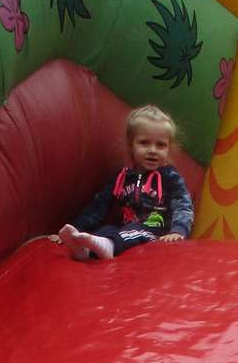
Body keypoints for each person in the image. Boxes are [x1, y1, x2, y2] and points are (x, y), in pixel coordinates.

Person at [57, 105, 195, 259]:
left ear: (169, 148)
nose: (153, 150)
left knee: (135, 231)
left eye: (160, 145)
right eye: (144, 143)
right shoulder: (123, 177)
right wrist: (77, 228)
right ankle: (86, 251)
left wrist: (178, 230)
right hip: (126, 230)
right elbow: (100, 205)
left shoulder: (169, 177)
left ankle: (109, 245)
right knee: (108, 229)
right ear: (131, 145)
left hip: (157, 233)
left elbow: (183, 205)